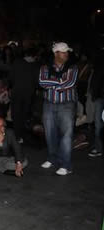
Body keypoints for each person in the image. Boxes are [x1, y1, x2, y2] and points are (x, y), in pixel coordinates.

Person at [39, 42, 78, 176]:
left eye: (67, 52)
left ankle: (66, 165)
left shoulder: (72, 67)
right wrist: (60, 82)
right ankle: (52, 158)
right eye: (63, 52)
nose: (66, 54)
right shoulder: (45, 67)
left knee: (66, 135)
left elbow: (70, 83)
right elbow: (42, 82)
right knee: (50, 134)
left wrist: (53, 82)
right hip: (49, 103)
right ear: (56, 53)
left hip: (67, 104)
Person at [9, 48, 40, 143]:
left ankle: (16, 136)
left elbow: (11, 77)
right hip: (28, 94)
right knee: (24, 114)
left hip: (16, 92)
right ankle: (21, 135)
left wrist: (11, 87)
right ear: (34, 56)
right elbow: (37, 81)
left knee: (16, 114)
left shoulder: (17, 62)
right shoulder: (36, 65)